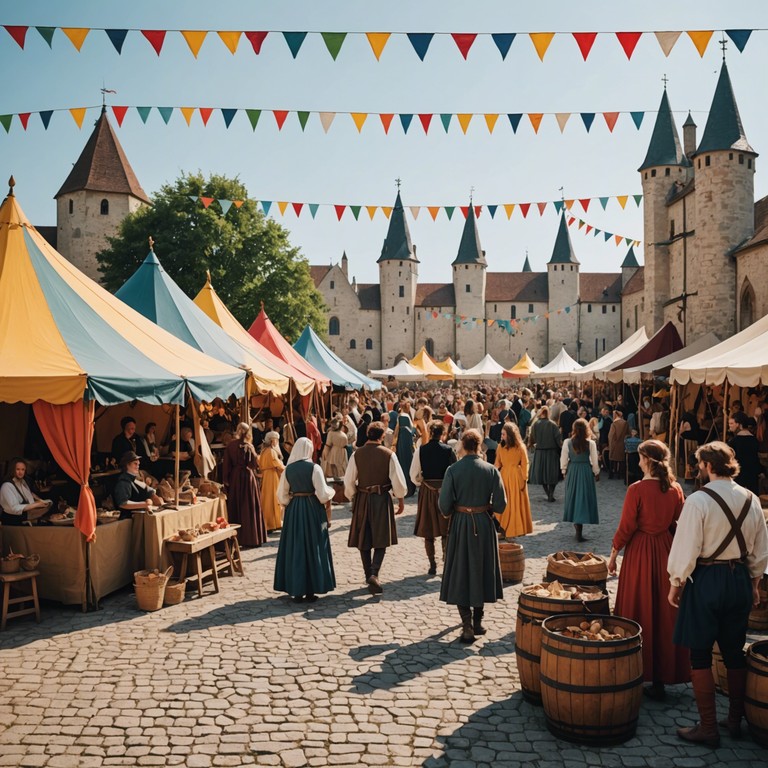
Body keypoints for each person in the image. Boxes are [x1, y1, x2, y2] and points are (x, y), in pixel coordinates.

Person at [668, 441, 768, 747]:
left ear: (709, 466)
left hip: (707, 579)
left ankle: (709, 727)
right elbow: (760, 549)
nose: (699, 469)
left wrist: (676, 582)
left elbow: (686, 546)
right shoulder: (751, 499)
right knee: (733, 652)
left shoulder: (698, 500)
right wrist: (753, 585)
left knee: (699, 653)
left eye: (700, 464)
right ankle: (734, 721)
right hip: (738, 579)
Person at [607, 440, 688, 701]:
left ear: (648, 461)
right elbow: (679, 523)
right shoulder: (675, 489)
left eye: (641, 457)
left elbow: (627, 526)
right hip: (666, 552)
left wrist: (613, 553)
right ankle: (662, 677)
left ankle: (635, 670)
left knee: (639, 607)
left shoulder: (637, 490)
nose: (638, 461)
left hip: (641, 553)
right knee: (663, 614)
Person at [439, 429, 506, 644]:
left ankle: (468, 624)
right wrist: (485, 506)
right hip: (484, 525)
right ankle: (477, 621)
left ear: (464, 446)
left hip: (461, 524)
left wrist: (455, 511)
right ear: (479, 447)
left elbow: (444, 506)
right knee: (481, 569)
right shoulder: (491, 470)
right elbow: (501, 505)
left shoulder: (453, 470)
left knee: (461, 571)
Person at [344, 421, 407, 595]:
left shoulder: (357, 455)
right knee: (381, 537)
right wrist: (400, 500)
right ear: (381, 436)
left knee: (364, 538)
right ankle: (374, 573)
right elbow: (398, 482)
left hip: (363, 498)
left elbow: (348, 482)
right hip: (381, 499)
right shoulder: (389, 455)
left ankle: (368, 574)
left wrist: (353, 497)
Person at [273, 438, 336, 603]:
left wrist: (291, 503)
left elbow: (282, 496)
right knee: (313, 545)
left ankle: (296, 589)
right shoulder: (314, 468)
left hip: (294, 510)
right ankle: (310, 590)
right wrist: (331, 492)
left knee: (296, 547)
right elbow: (322, 494)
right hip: (312, 508)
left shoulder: (288, 470)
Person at [410, 420, 456, 575]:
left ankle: (432, 564)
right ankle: (446, 559)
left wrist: (421, 482)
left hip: (427, 492)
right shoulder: (449, 450)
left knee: (428, 531)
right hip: (445, 491)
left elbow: (414, 475)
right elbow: (455, 473)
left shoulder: (420, 450)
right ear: (442, 434)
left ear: (430, 433)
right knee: (446, 530)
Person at [222, 422, 266, 547]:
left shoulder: (230, 446)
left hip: (235, 478)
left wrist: (226, 480)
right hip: (248, 477)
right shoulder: (249, 446)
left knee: (236, 505)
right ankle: (251, 538)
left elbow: (226, 465)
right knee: (249, 505)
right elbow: (253, 465)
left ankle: (236, 537)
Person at [561, 418, 600, 542]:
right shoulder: (590, 444)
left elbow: (563, 458)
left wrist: (564, 470)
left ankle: (577, 528)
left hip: (573, 470)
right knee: (583, 499)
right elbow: (594, 460)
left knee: (574, 498)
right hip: (585, 471)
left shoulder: (567, 442)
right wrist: (596, 472)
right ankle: (579, 531)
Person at [494, 422, 532, 538]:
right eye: (501, 434)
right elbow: (497, 463)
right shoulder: (500, 446)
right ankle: (505, 527)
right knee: (505, 503)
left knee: (515, 503)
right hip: (504, 476)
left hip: (516, 477)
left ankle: (515, 528)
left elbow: (525, 463)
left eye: (504, 434)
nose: (502, 436)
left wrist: (524, 478)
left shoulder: (520, 447)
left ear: (510, 435)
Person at [0, 458, 53, 525]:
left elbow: (29, 496)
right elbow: (14, 508)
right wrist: (36, 504)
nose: (20, 472)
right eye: (18, 469)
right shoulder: (6, 486)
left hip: (23, 515)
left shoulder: (22, 482)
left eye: (23, 469)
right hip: (12, 519)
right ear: (13, 470)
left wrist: (39, 500)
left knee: (50, 504)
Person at [112, 452, 163, 519]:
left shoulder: (133, 480)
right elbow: (123, 503)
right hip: (128, 520)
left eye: (138, 464)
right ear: (127, 465)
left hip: (137, 518)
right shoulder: (124, 482)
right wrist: (144, 504)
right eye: (135, 464)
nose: (138, 466)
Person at [529, 405, 563, 503]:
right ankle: (550, 494)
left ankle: (548, 494)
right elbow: (558, 440)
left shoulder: (535, 425)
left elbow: (533, 438)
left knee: (543, 475)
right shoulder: (553, 425)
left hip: (540, 452)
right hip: (551, 453)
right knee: (553, 475)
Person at [728, 411, 761, 494]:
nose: (730, 426)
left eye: (732, 423)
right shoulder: (755, 440)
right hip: (753, 476)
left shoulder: (734, 442)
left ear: (739, 424)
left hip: (739, 477)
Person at [259, 431, 285, 532]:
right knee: (273, 499)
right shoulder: (271, 451)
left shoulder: (264, 450)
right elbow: (277, 464)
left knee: (268, 499)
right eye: (276, 440)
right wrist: (286, 468)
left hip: (267, 476)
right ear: (272, 440)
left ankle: (272, 522)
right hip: (272, 476)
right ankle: (272, 523)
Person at [392, 401, 416, 497]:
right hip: (405, 443)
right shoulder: (404, 416)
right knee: (406, 464)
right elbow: (410, 431)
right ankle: (408, 488)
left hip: (402, 442)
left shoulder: (401, 415)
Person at [607, 409, 630, 479]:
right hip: (622, 443)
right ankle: (620, 475)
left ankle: (611, 474)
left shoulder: (614, 424)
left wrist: (610, 443)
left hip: (614, 444)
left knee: (612, 459)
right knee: (621, 460)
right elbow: (628, 433)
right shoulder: (625, 423)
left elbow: (611, 435)